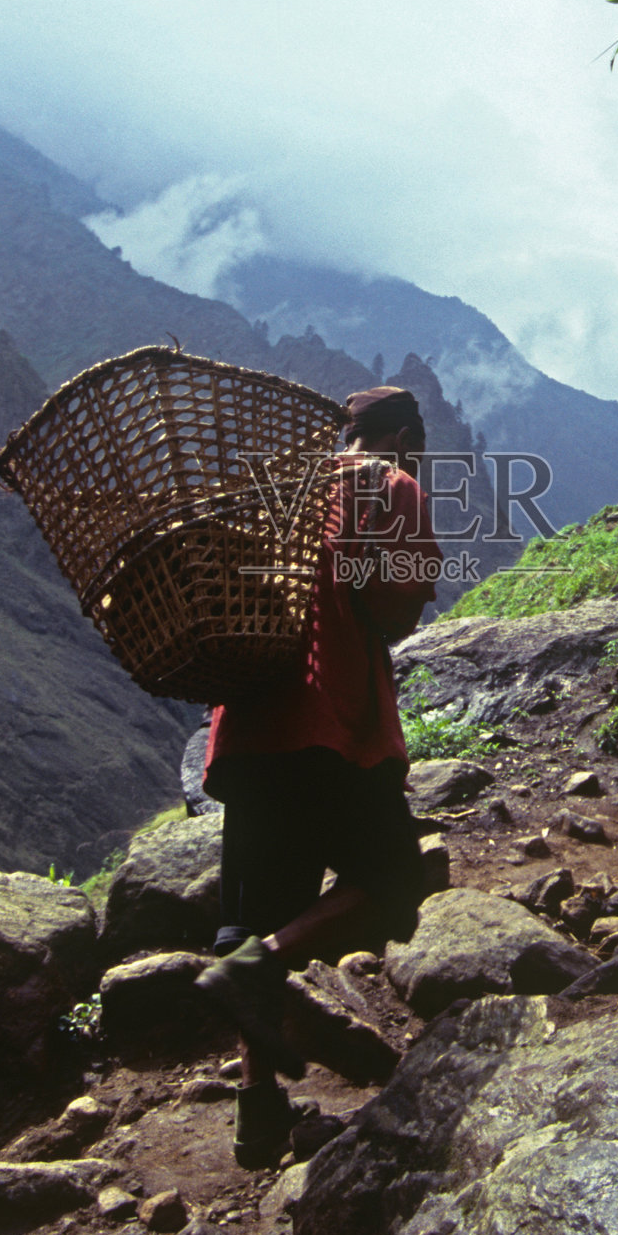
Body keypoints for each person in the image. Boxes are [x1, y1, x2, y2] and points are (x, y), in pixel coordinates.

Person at [195, 385, 443, 1168]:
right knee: (397, 876)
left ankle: (257, 1111)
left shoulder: (283, 486)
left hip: (249, 722)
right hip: (333, 720)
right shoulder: (392, 486)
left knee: (257, 904)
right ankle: (262, 966)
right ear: (402, 436)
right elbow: (397, 606)